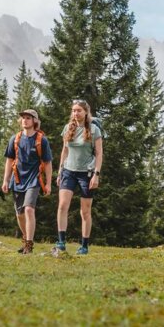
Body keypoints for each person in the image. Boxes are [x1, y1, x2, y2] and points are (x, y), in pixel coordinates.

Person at [2, 109, 53, 255]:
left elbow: (48, 163)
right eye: (23, 118)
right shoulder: (15, 139)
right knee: (19, 214)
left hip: (34, 179)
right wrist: (6, 180)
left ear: (35, 121)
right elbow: (9, 160)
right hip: (17, 180)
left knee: (29, 209)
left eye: (28, 118)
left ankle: (29, 245)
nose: (25, 120)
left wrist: (48, 183)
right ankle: (25, 239)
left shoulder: (41, 140)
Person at [56, 99, 103, 255]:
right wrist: (60, 170)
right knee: (63, 205)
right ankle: (61, 242)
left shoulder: (95, 130)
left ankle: (84, 245)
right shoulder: (68, 128)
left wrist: (96, 175)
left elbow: (99, 154)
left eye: (79, 110)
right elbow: (65, 150)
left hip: (87, 173)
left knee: (85, 211)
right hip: (68, 171)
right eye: (73, 110)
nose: (76, 113)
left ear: (85, 112)